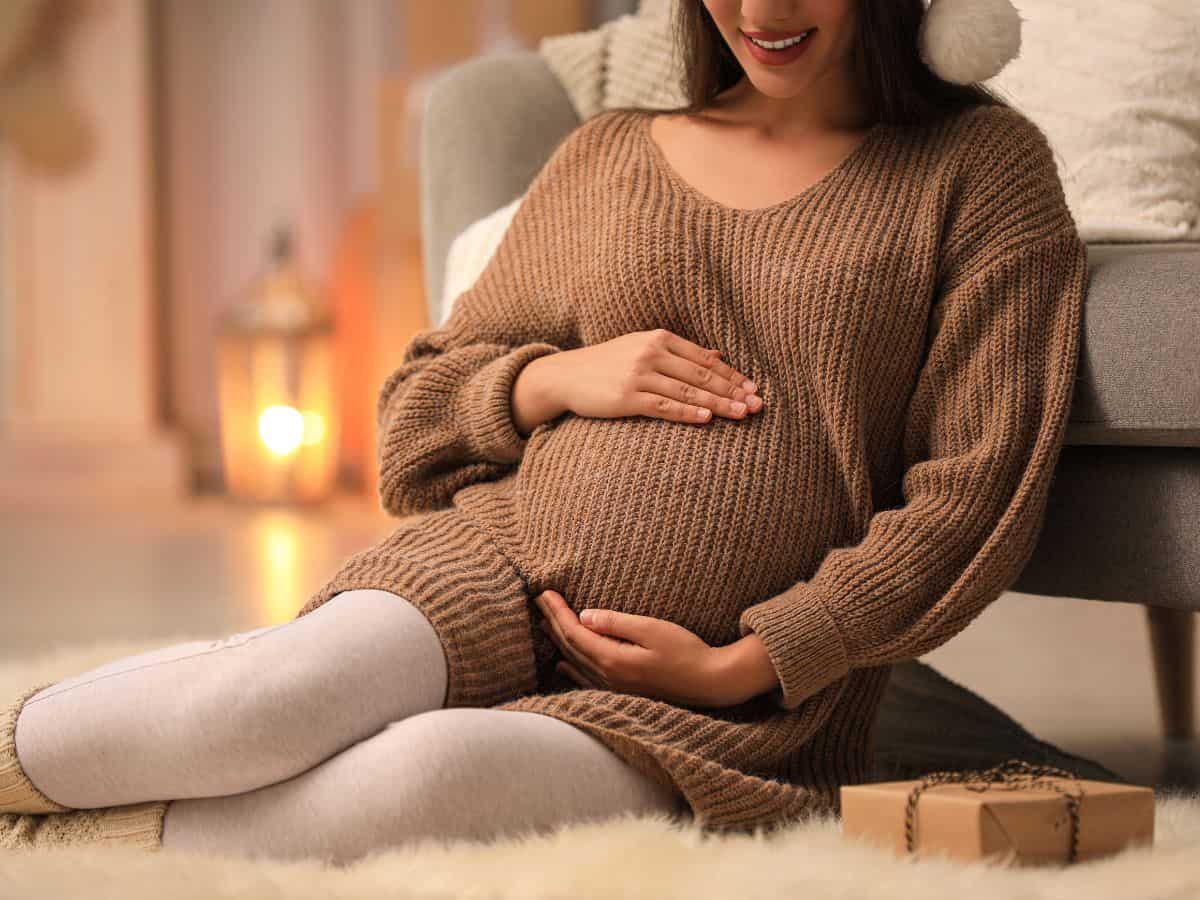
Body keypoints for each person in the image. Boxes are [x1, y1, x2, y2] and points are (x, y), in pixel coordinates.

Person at [1, 0, 1087, 866]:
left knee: (418, 782)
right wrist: (552, 377)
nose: (761, 9)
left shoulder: (980, 169)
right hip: (489, 565)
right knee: (266, 706)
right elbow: (414, 420)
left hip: (729, 712)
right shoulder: (611, 154)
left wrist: (749, 662)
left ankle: (72, 840)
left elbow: (974, 494)